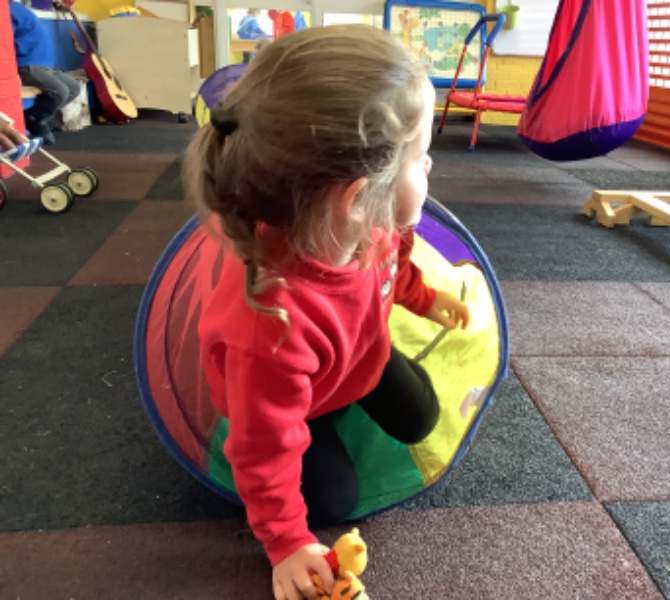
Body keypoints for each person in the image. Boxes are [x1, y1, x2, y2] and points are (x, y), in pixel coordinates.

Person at [182, 25, 470, 600]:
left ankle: (350, 392)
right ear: (356, 197)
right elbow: (263, 449)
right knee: (332, 502)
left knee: (421, 417)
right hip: (289, 401)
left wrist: (424, 298)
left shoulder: (375, 224)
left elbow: (393, 271)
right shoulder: (270, 326)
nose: (431, 167)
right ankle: (320, 429)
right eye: (420, 158)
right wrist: (286, 542)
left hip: (355, 359)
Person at [10, 1, 81, 145]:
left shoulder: (15, 6)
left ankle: (35, 116)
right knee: (59, 91)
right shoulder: (6, 11)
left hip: (45, 65)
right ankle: (36, 120)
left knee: (74, 88)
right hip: (28, 65)